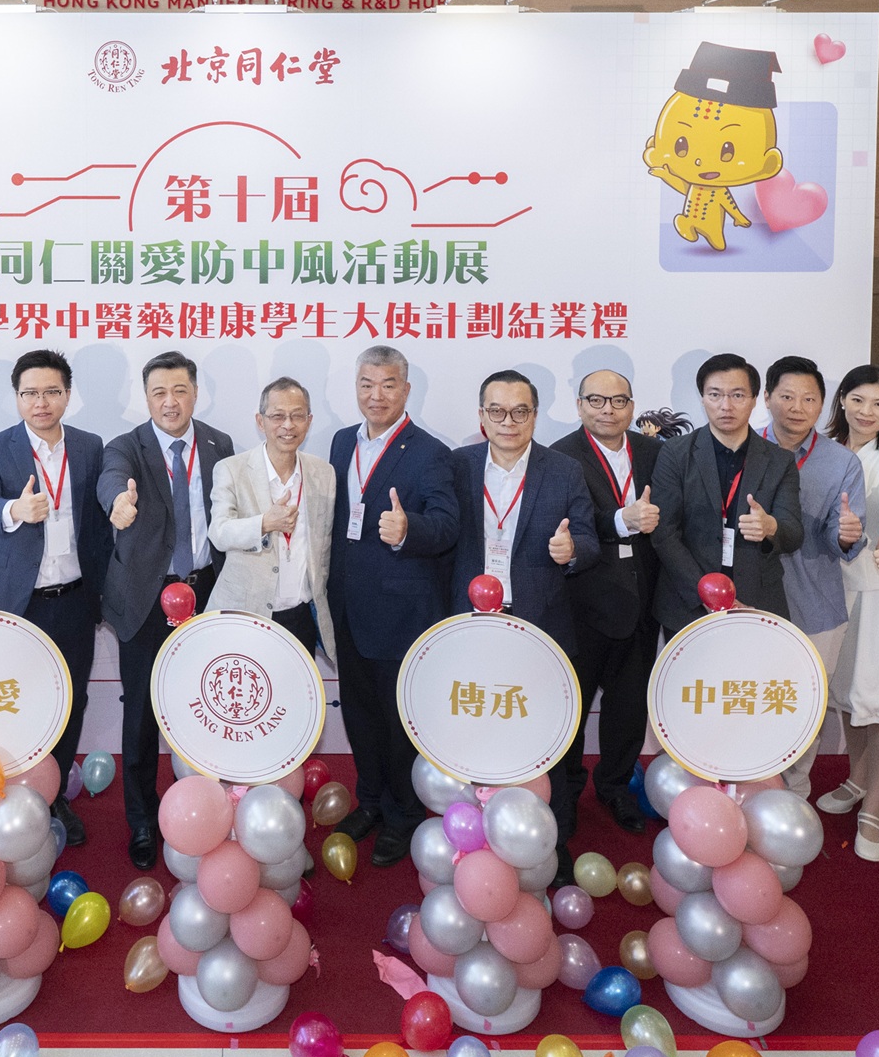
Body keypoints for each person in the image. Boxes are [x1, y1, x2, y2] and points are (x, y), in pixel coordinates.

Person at [0, 347, 113, 845]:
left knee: (70, 700)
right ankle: (8, 794)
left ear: (67, 395)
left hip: (73, 598)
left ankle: (55, 799)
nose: (41, 402)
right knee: (12, 701)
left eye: (52, 391)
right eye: (30, 393)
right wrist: (16, 508)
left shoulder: (92, 447)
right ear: (16, 398)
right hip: (16, 602)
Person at [451, 370, 595, 863]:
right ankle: (477, 832)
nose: (508, 422)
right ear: (481, 416)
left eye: (520, 411)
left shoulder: (563, 469)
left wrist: (571, 549)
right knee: (478, 727)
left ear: (535, 414)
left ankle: (554, 838)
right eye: (497, 411)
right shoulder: (458, 465)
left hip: (540, 623)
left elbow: (590, 541)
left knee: (550, 739)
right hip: (472, 625)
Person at [99, 351, 234, 869]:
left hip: (207, 593)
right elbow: (110, 479)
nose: (169, 402)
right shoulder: (125, 447)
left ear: (195, 392)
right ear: (146, 396)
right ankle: (141, 819)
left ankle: (209, 813)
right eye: (159, 392)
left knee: (207, 707)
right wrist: (118, 503)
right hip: (145, 599)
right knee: (141, 716)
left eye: (179, 390)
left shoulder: (220, 445)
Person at [326, 345, 459, 866]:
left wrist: (409, 531)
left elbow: (447, 525)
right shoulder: (340, 442)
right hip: (348, 607)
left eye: (386, 385)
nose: (375, 395)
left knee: (398, 720)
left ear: (406, 389)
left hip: (403, 613)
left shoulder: (430, 452)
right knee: (359, 715)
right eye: (365, 384)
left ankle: (403, 815)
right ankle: (372, 801)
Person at [547, 368, 664, 836]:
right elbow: (564, 524)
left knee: (629, 707)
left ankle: (615, 786)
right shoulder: (559, 458)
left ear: (633, 407)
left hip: (645, 600)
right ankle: (568, 791)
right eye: (596, 401)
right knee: (573, 707)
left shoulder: (657, 453)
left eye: (618, 401)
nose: (607, 410)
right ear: (579, 406)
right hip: (583, 602)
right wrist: (621, 519)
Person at [813, 365, 879, 862]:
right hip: (826, 593)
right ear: (841, 401)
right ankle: (857, 781)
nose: (867, 412)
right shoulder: (819, 451)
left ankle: (874, 807)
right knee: (846, 694)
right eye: (858, 400)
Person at [761, 356, 867, 797]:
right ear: (766, 399)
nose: (797, 407)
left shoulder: (841, 462)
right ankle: (744, 787)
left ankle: (794, 794)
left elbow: (845, 538)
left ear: (824, 405)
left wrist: (846, 536)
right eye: (786, 396)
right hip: (751, 600)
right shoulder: (743, 449)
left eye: (809, 399)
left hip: (815, 604)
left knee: (804, 705)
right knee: (748, 698)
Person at [651, 352, 804, 633]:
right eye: (715, 395)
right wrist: (706, 591)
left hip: (758, 601)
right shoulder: (675, 453)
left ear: (755, 399)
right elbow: (664, 534)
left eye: (737, 395)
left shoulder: (779, 460)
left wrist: (770, 526)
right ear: (701, 398)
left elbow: (793, 532)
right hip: (689, 602)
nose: (726, 406)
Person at [206, 375, 335, 660]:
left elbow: (324, 547)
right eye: (278, 416)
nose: (288, 425)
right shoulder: (231, 469)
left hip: (301, 617)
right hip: (245, 615)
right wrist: (265, 523)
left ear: (309, 421)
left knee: (298, 702)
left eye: (297, 416)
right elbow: (219, 532)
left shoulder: (323, 473)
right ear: (260, 421)